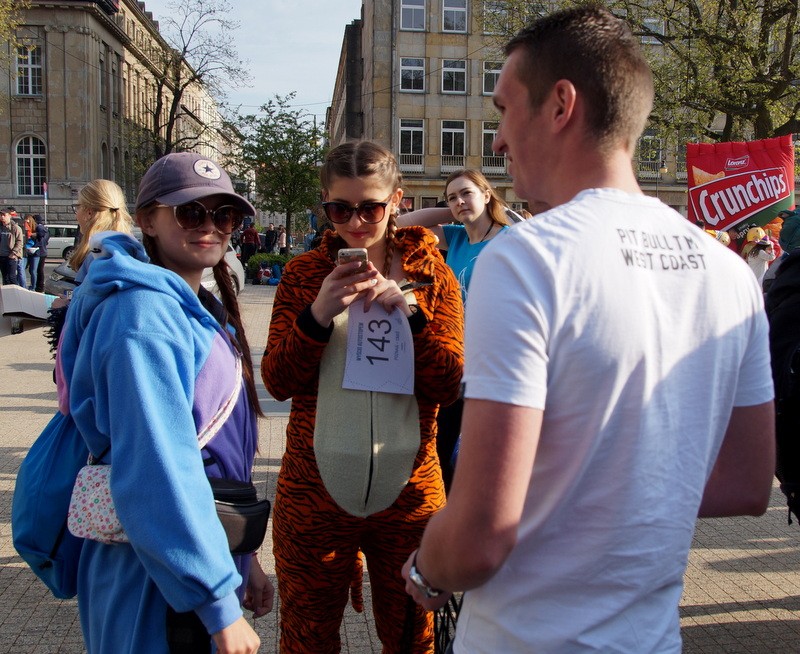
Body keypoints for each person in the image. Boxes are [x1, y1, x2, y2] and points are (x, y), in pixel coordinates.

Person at [401, 7, 775, 653]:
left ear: (560, 105)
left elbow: (479, 537)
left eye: (503, 110)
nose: (498, 141)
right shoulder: (729, 272)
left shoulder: (526, 258)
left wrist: (427, 567)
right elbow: (746, 483)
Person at [56, 152, 272, 654]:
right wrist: (216, 602)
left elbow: (213, 453)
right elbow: (156, 470)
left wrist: (243, 560)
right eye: (190, 212)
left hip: (182, 560)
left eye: (224, 215)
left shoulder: (186, 305)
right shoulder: (144, 316)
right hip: (153, 578)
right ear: (148, 219)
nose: (210, 226)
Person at [262, 140, 464, 653]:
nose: (355, 222)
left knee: (412, 638)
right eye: (340, 209)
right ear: (325, 205)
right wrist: (318, 314)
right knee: (307, 638)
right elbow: (278, 381)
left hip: (411, 491)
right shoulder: (304, 275)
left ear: (397, 200)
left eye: (370, 208)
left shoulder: (432, 275)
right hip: (314, 491)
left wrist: (412, 318)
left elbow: (449, 384)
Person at [398, 169, 512, 491]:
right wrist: (457, 210)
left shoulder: (509, 239)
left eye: (467, 193)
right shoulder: (457, 236)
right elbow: (402, 224)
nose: (459, 201)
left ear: (487, 194)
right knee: (441, 444)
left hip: (490, 363)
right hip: (456, 356)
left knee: (477, 450)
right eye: (452, 197)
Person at [0, 207, 23, 285]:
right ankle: (7, 292)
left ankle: (17, 291)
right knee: (5, 278)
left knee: (11, 277)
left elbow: (19, 242)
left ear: (9, 216)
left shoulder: (15, 228)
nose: (2, 217)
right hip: (1, 255)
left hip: (11, 256)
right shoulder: (1, 227)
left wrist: (13, 253)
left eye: (4, 215)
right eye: (1, 215)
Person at [32, 215, 49, 293]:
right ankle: (40, 286)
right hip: (43, 251)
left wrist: (34, 235)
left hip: (40, 251)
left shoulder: (39, 228)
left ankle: (39, 286)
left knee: (38, 270)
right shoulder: (45, 228)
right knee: (40, 270)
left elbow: (40, 236)